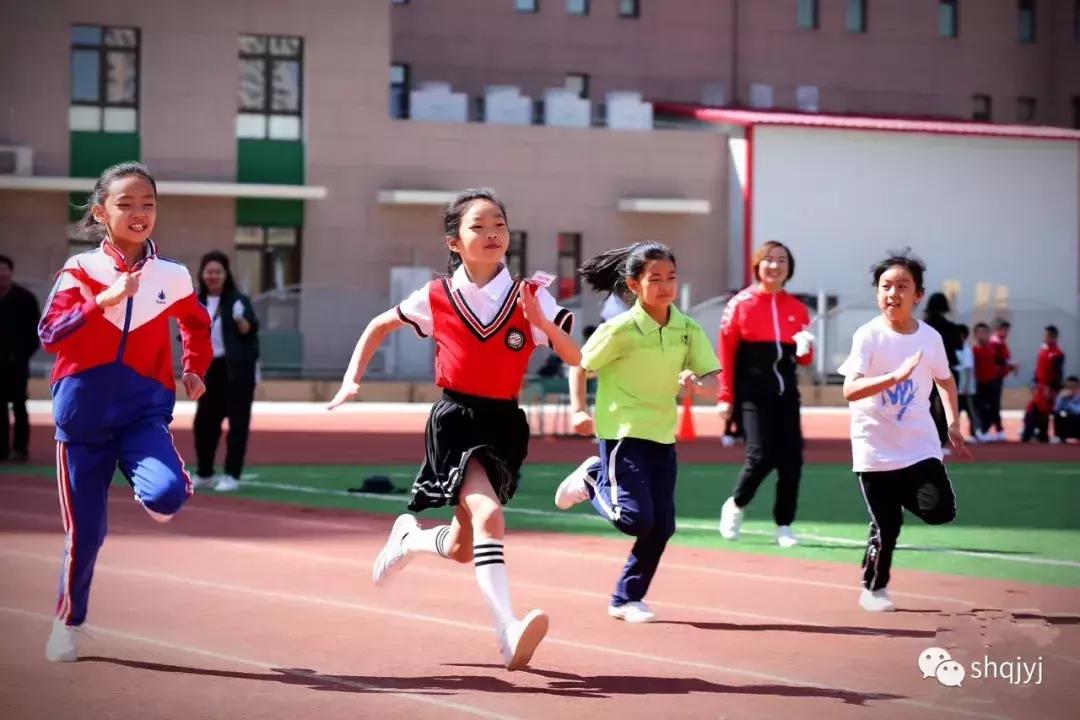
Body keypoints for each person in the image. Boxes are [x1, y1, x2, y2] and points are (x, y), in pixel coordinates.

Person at [327, 188, 579, 671]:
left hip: (506, 422)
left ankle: (412, 540)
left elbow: (576, 356)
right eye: (478, 226)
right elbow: (379, 325)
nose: (492, 234)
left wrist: (542, 320)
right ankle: (508, 630)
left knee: (465, 546)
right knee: (488, 517)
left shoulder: (531, 295)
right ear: (454, 242)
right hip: (457, 420)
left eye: (500, 225)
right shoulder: (436, 295)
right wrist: (351, 381)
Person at [37, 162, 211, 660]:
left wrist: (194, 366)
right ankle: (68, 623)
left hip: (142, 413)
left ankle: (154, 487)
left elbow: (196, 326)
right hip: (82, 423)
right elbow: (50, 334)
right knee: (85, 535)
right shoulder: (80, 270)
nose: (139, 214)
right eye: (125, 204)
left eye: (148, 204)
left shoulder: (172, 276)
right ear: (100, 212)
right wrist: (103, 300)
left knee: (168, 496)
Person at [553, 241, 721, 623]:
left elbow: (713, 379)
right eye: (655, 279)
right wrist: (579, 409)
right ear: (634, 285)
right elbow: (580, 365)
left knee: (661, 527)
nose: (665, 286)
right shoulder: (621, 329)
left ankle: (626, 599)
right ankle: (593, 476)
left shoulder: (686, 328)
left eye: (671, 278)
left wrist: (697, 382)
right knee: (635, 519)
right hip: (623, 431)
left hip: (663, 434)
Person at [837, 249, 967, 612]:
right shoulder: (868, 336)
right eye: (885, 286)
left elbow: (945, 379)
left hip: (919, 447)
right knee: (889, 527)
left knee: (941, 511)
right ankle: (873, 589)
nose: (892, 293)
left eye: (902, 286)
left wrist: (954, 421)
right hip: (874, 448)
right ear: (878, 293)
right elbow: (850, 390)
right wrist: (894, 377)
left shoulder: (930, 338)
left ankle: (886, 514)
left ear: (918, 295)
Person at [716, 241, 815, 548]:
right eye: (769, 260)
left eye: (781, 261)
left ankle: (784, 525)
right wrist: (725, 396)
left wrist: (805, 347)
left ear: (789, 268)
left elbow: (804, 360)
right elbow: (728, 353)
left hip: (787, 395)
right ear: (758, 265)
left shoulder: (797, 309)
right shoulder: (740, 304)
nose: (775, 266)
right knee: (760, 456)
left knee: (792, 462)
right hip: (752, 394)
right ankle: (735, 504)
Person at [192, 250, 260, 491]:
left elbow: (248, 331)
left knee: (237, 424)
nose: (213, 276)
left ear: (225, 274)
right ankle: (205, 472)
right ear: (202, 274)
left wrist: (240, 319)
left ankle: (232, 475)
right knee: (204, 423)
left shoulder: (237, 300)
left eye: (218, 272)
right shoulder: (196, 301)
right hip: (210, 369)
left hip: (237, 369)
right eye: (209, 271)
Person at [0, 254, 40, 463]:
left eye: (4, 269)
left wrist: (21, 355)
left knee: (19, 404)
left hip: (17, 363)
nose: (1, 273)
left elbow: (36, 331)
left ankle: (20, 449)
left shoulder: (25, 298)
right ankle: (2, 450)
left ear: (11, 272)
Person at [922, 293, 962, 450]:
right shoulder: (952, 327)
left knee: (926, 406)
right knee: (947, 406)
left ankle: (928, 440)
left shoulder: (923, 326)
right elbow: (958, 347)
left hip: (925, 371)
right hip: (947, 370)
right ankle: (943, 440)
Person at [1021, 325, 1065, 444]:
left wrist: (1052, 390)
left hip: (1047, 390)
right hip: (1039, 389)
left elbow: (1058, 373)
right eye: (1045, 335)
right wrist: (1034, 382)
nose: (1046, 338)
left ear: (1054, 337)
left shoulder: (1058, 354)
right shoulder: (1043, 350)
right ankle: (1031, 434)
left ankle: (1041, 436)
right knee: (1032, 410)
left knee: (1043, 413)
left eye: (1048, 336)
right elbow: (1038, 368)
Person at [954, 324, 980, 441]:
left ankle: (974, 433)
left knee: (970, 412)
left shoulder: (966, 349)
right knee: (955, 413)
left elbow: (968, 370)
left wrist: (964, 387)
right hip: (958, 387)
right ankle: (954, 434)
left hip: (965, 389)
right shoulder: (957, 348)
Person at [1053, 375, 1080, 443]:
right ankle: (1060, 437)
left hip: (1077, 421)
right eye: (1068, 386)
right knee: (1058, 416)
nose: (1071, 388)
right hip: (1067, 421)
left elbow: (1078, 411)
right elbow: (1056, 409)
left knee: (1074, 416)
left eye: (1073, 386)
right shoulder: (1062, 396)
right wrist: (1060, 398)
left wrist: (1069, 403)